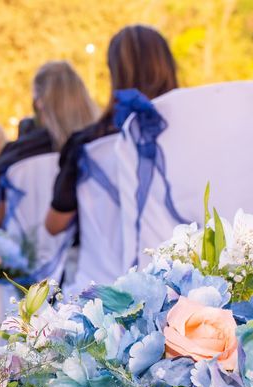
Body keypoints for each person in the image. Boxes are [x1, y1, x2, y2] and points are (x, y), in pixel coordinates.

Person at [45, 24, 178, 235]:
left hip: (104, 267)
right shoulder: (192, 135)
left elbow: (55, 224)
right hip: (182, 264)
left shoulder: (86, 145)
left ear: (114, 72)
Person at [0, 61, 99, 227]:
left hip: (27, 247)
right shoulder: (99, 144)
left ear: (38, 102)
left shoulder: (15, 153)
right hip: (92, 246)